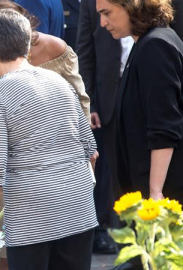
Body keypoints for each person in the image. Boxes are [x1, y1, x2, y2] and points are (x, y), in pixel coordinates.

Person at [0, 9, 98, 270]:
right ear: (27, 45)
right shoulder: (59, 81)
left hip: (30, 216)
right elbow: (90, 148)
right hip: (79, 207)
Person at [96, 0, 183, 202]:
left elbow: (164, 126)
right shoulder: (146, 42)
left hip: (165, 194)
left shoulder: (155, 45)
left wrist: (155, 192)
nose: (102, 23)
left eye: (107, 13)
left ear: (130, 5)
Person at [76, 0, 126, 255]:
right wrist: (90, 103)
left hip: (145, 89)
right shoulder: (91, 5)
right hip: (106, 98)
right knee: (106, 168)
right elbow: (84, 52)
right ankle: (103, 229)